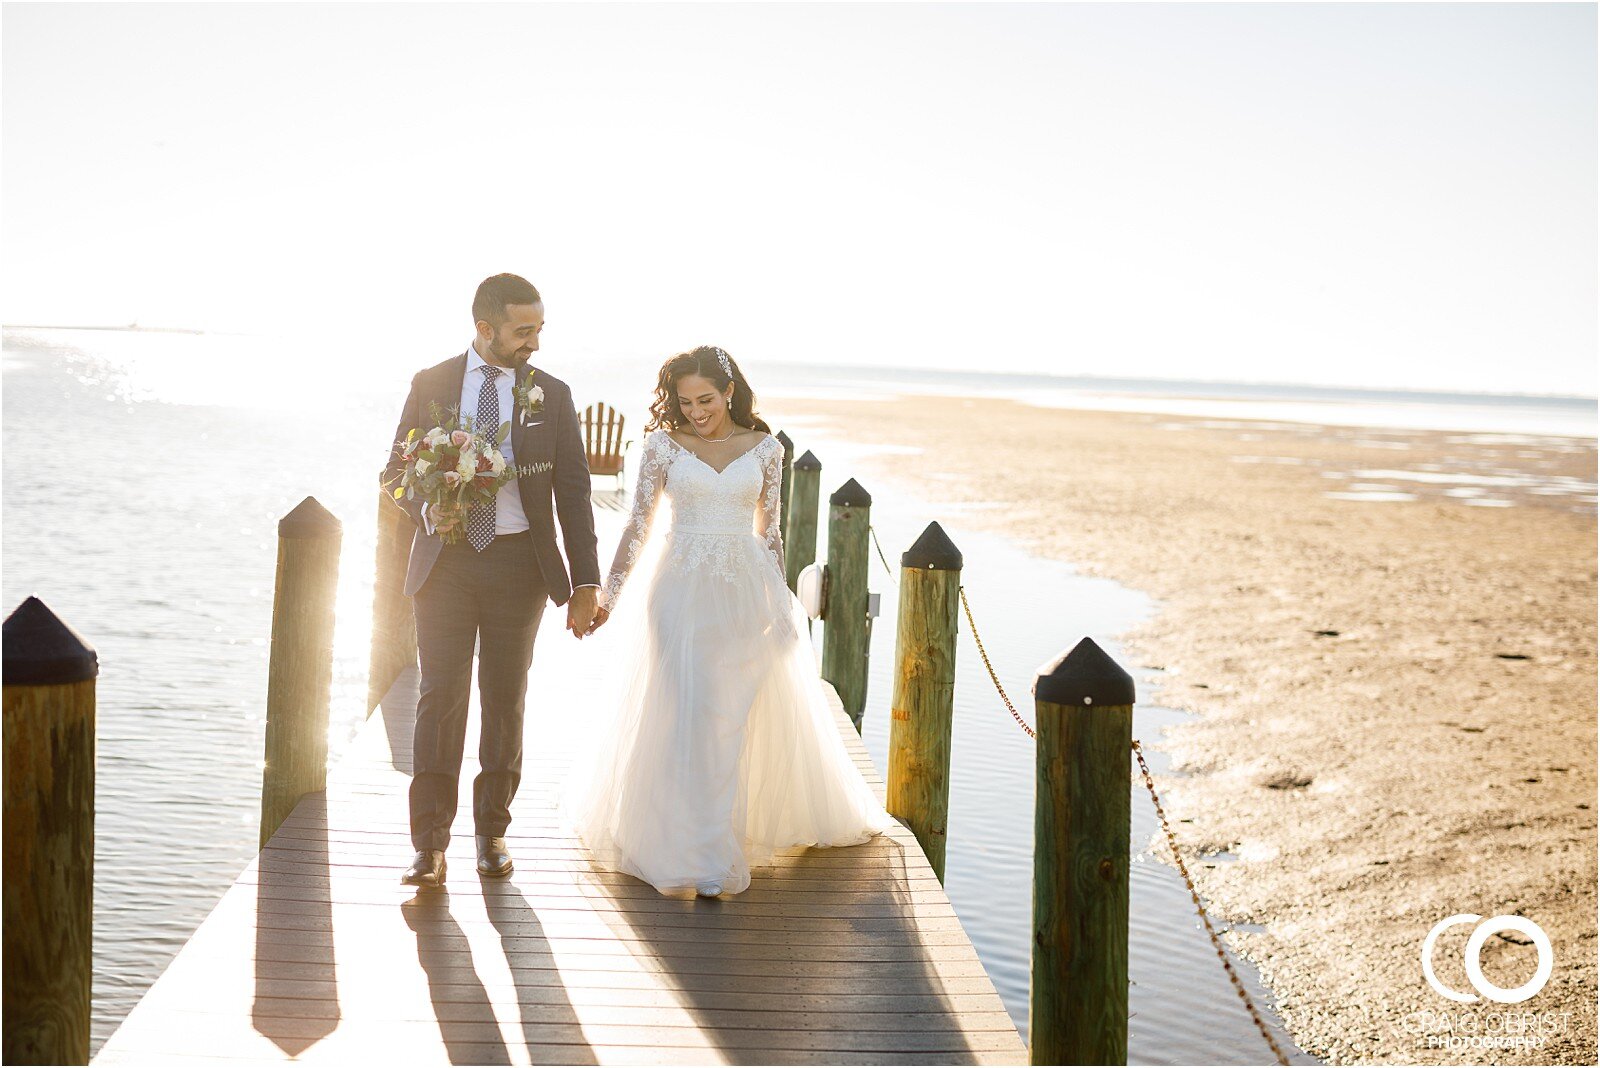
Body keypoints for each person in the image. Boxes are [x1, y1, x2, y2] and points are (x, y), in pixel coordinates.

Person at [561, 345, 895, 898]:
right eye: (686, 401)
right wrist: (609, 598)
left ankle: (711, 837)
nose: (696, 412)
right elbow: (637, 528)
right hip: (679, 593)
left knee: (727, 719)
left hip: (746, 594)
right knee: (689, 713)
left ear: (730, 392)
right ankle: (700, 853)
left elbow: (771, 532)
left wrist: (783, 606)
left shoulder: (766, 449)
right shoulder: (663, 448)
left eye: (707, 400)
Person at [380, 273, 604, 888]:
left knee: (505, 700)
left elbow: (574, 492)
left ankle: (491, 834)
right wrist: (430, 504)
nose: (533, 342)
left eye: (538, 329)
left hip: (518, 567)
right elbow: (395, 469)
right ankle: (428, 845)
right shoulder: (431, 383)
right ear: (485, 328)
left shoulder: (551, 395)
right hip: (444, 565)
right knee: (439, 699)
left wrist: (586, 582)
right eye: (522, 330)